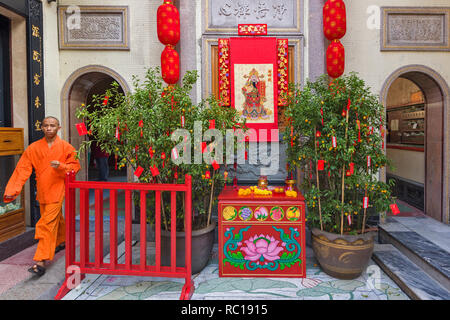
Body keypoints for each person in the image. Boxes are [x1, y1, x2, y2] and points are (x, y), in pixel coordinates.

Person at [3, 116, 80, 277]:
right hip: (43, 190)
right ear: (42, 128)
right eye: (46, 125)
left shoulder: (66, 147)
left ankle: (41, 261)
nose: (49, 128)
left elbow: (75, 167)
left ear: (58, 128)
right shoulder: (33, 148)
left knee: (46, 224)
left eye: (52, 126)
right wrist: (13, 189)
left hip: (58, 189)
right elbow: (22, 169)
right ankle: (61, 241)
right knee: (54, 219)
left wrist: (62, 166)